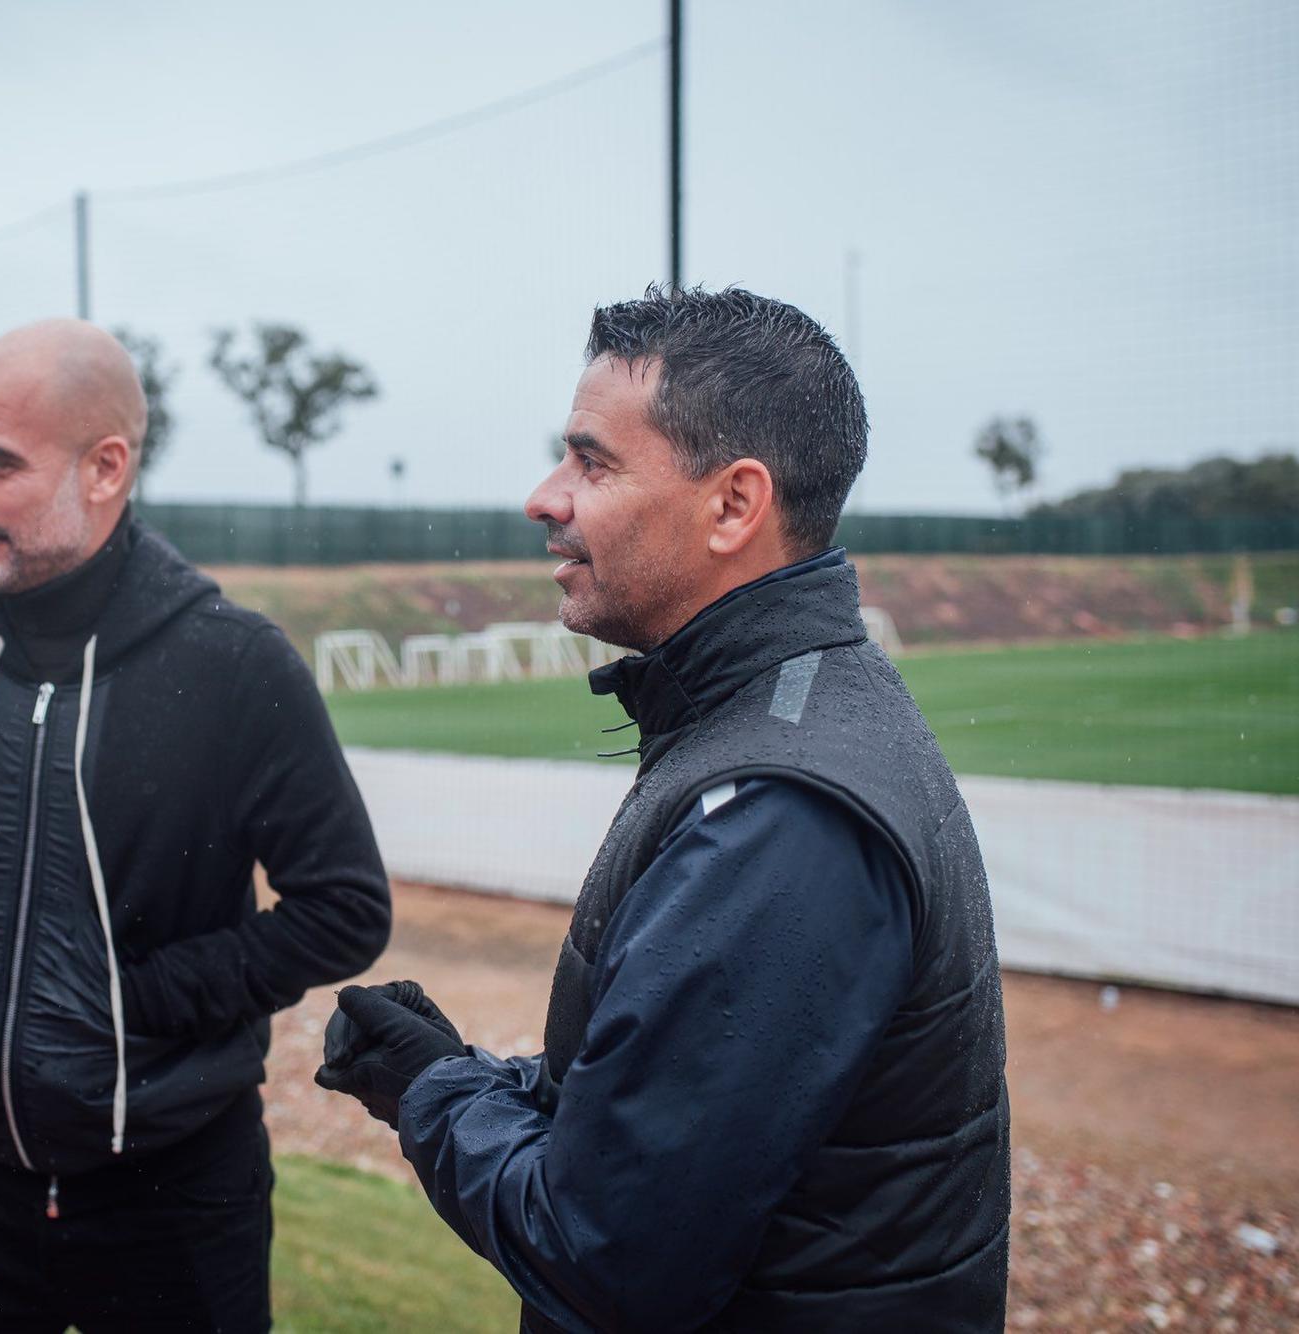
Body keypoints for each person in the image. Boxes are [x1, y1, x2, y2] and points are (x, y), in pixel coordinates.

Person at [315, 286, 1010, 1332]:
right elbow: (696, 1106)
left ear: (732, 505)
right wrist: (475, 1075)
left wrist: (429, 1094)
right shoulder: (795, 713)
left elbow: (607, 1256)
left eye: (591, 461)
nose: (543, 498)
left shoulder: (775, 811)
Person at [0, 318, 391, 1333]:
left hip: (177, 1196)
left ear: (105, 467)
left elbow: (342, 908)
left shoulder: (234, 664)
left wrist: (130, 998)